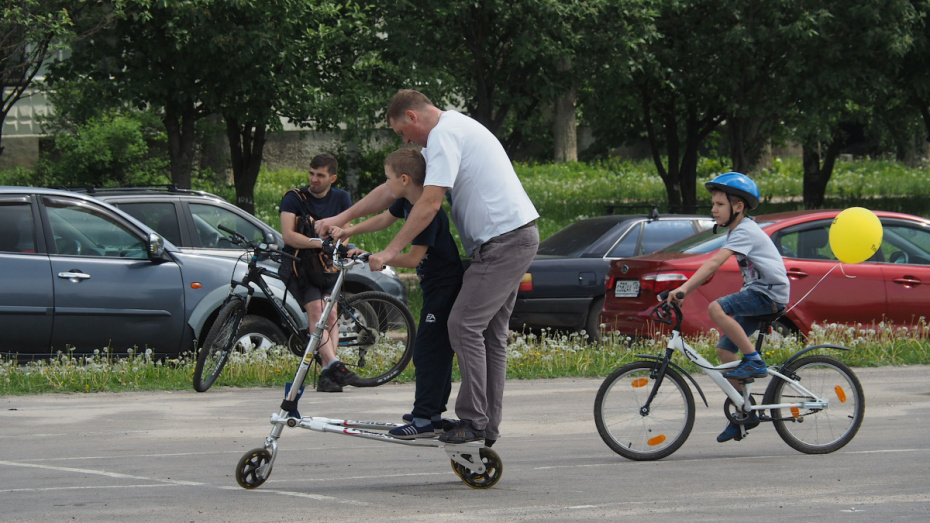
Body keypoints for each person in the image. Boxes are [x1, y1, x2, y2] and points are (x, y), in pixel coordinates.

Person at [318, 89, 539, 447]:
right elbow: (390, 191)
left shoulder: (444, 135)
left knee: (463, 325)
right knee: (490, 335)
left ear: (412, 117)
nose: (405, 141)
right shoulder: (446, 134)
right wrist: (341, 219)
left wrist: (389, 251)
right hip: (506, 238)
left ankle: (474, 420)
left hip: (505, 241)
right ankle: (485, 426)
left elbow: (430, 203)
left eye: (402, 132)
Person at [330, 148, 464, 439]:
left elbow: (413, 259)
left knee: (428, 350)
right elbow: (382, 219)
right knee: (435, 349)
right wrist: (348, 230)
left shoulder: (426, 215)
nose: (386, 185)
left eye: (388, 179)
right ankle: (433, 413)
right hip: (434, 286)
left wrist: (375, 257)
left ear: (404, 179)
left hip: (446, 286)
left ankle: (424, 419)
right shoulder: (406, 202)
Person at [665, 172, 790, 442]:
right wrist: (687, 288)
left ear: (738, 207)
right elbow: (710, 269)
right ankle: (745, 410)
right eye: (713, 204)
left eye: (720, 204)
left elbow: (713, 263)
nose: (714, 209)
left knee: (716, 308)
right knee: (724, 349)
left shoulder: (745, 230)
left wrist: (684, 288)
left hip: (768, 294)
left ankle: (754, 361)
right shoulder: (737, 230)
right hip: (759, 293)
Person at [279, 153, 358, 393]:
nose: (314, 179)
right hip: (300, 265)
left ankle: (327, 374)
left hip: (327, 265)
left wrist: (336, 245)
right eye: (311, 173)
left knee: (331, 315)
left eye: (320, 175)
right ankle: (335, 365)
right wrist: (319, 243)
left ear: (332, 178)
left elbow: (347, 232)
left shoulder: (341, 197)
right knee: (316, 311)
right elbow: (288, 236)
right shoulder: (293, 198)